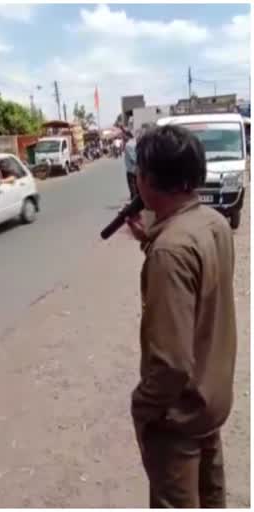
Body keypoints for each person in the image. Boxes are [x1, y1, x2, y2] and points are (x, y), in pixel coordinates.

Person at [125, 125, 235, 508]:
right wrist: (150, 240)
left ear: (148, 179)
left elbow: (170, 364)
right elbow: (199, 286)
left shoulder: (170, 252)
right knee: (210, 497)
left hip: (179, 417)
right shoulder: (214, 223)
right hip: (211, 400)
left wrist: (143, 405)